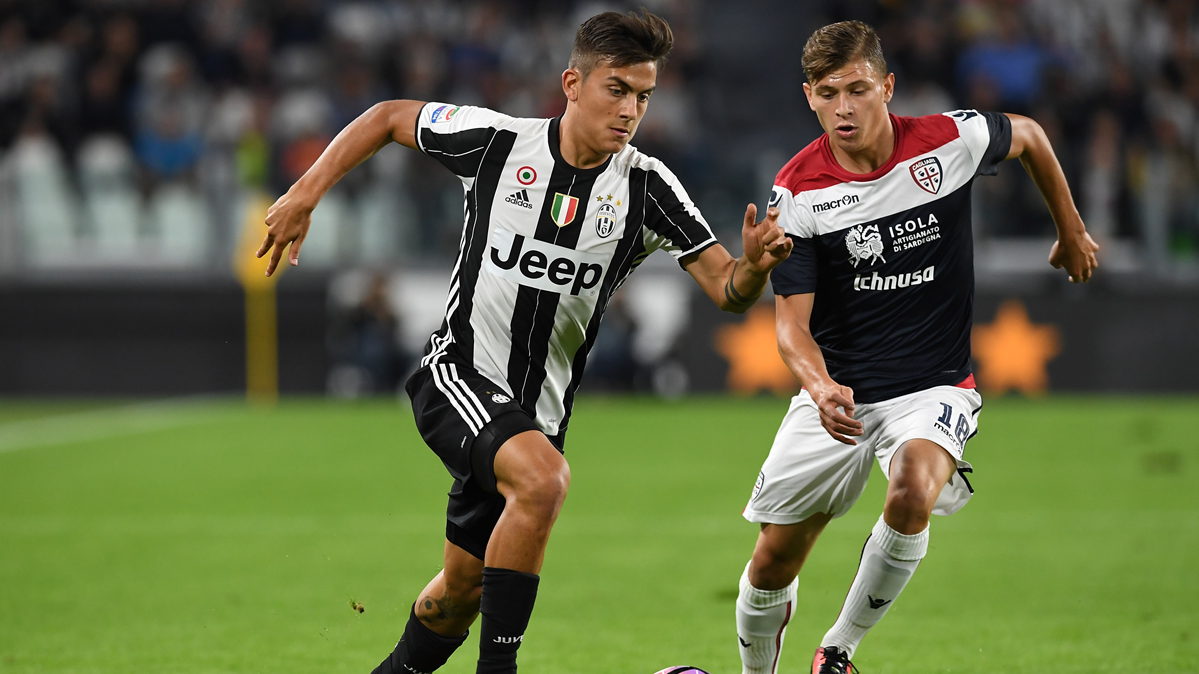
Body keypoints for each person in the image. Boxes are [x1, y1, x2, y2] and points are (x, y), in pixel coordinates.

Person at [255, 10, 793, 674]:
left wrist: (758, 267)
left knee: (458, 596)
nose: (631, 109)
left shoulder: (647, 188)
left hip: (536, 416)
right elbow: (389, 116)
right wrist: (305, 194)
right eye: (617, 89)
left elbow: (727, 289)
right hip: (457, 374)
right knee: (543, 483)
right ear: (573, 83)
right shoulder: (498, 145)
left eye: (644, 95)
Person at [732, 20, 1098, 674]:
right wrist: (818, 388)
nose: (843, 107)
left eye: (857, 88)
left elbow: (1033, 137)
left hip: (932, 386)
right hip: (839, 394)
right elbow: (789, 324)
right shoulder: (798, 193)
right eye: (826, 92)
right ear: (809, 97)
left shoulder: (948, 141)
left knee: (910, 491)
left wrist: (1070, 231)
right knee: (772, 560)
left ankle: (837, 651)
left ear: (887, 86)